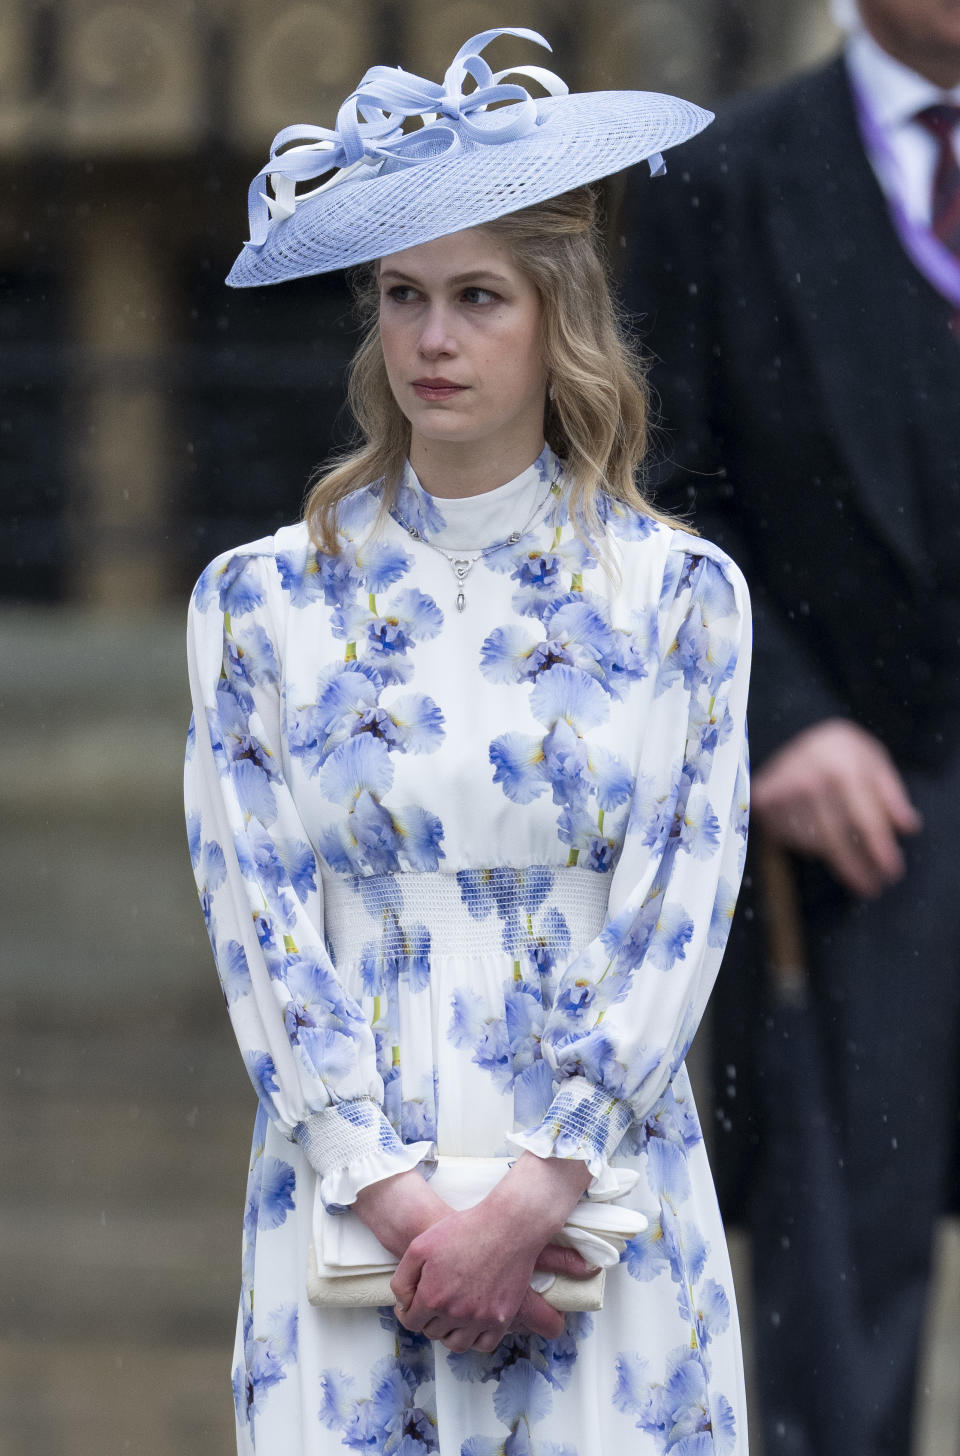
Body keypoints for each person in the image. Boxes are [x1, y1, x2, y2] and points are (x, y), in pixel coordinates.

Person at [184, 27, 751, 1456]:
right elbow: (255, 913)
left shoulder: (674, 595)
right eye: (402, 297)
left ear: (555, 316)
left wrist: (537, 1194)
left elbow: (682, 902)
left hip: (601, 1187)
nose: (433, 339)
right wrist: (388, 1189)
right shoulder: (266, 599)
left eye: (477, 297)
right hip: (348, 1177)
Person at [620, 2, 960, 1453]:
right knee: (836, 1302)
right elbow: (658, 491)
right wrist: (782, 724)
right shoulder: (721, 180)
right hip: (852, 822)